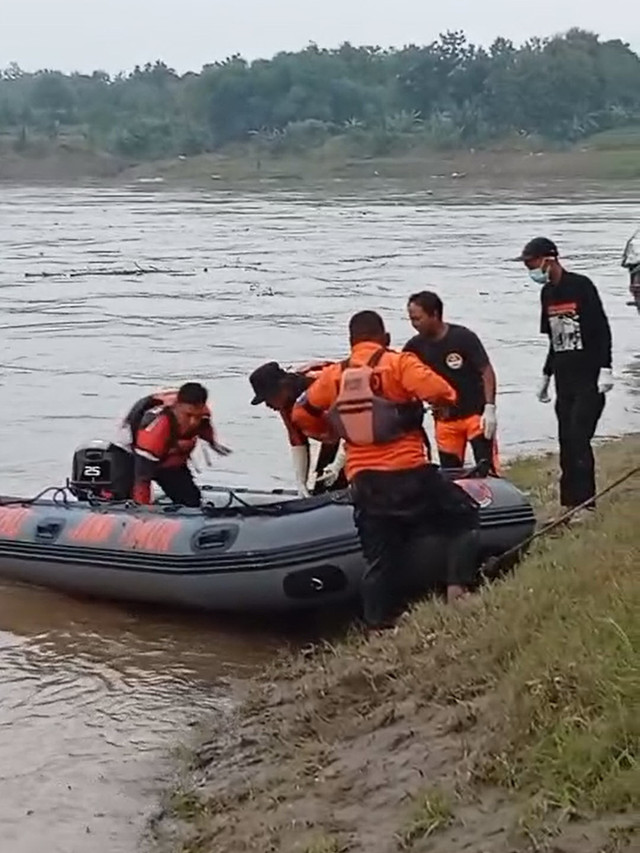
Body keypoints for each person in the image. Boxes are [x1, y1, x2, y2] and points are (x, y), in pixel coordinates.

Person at [291, 310, 481, 629]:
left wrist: (329, 432)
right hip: (409, 472)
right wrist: (437, 404)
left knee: (378, 558)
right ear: (385, 338)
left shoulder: (334, 375)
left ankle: (377, 624)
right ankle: (456, 588)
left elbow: (301, 411)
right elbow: (441, 391)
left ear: (352, 342)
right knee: (465, 516)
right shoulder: (398, 363)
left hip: (364, 480)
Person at [519, 236, 613, 513]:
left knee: (579, 438)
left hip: (589, 377)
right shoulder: (547, 293)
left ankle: (586, 505)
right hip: (564, 378)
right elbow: (554, 339)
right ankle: (568, 503)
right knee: (565, 440)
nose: (530, 271)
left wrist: (605, 368)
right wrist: (546, 375)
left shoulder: (581, 286)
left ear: (549, 260)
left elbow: (601, 329)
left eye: (532, 264)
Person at [404, 291, 499, 474]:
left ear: (435, 314)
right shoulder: (414, 348)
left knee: (487, 471)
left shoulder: (463, 337)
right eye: (411, 319)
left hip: (475, 416)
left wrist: (490, 408)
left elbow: (486, 371)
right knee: (450, 475)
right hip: (445, 421)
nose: (414, 325)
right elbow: (403, 380)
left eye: (418, 319)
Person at [112, 383, 231, 506]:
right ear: (177, 407)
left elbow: (205, 427)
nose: (193, 422)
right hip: (133, 455)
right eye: (188, 415)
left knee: (191, 502)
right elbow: (142, 477)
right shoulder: (157, 428)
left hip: (169, 460)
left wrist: (212, 443)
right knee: (123, 498)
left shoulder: (203, 415)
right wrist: (143, 511)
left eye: (197, 416)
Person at [249, 360, 348, 497]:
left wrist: (337, 466)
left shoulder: (319, 386)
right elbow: (297, 441)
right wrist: (301, 482)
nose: (267, 405)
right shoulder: (285, 404)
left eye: (268, 398)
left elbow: (358, 428)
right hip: (332, 434)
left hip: (367, 427)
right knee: (322, 486)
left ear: (283, 387)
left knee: (342, 481)